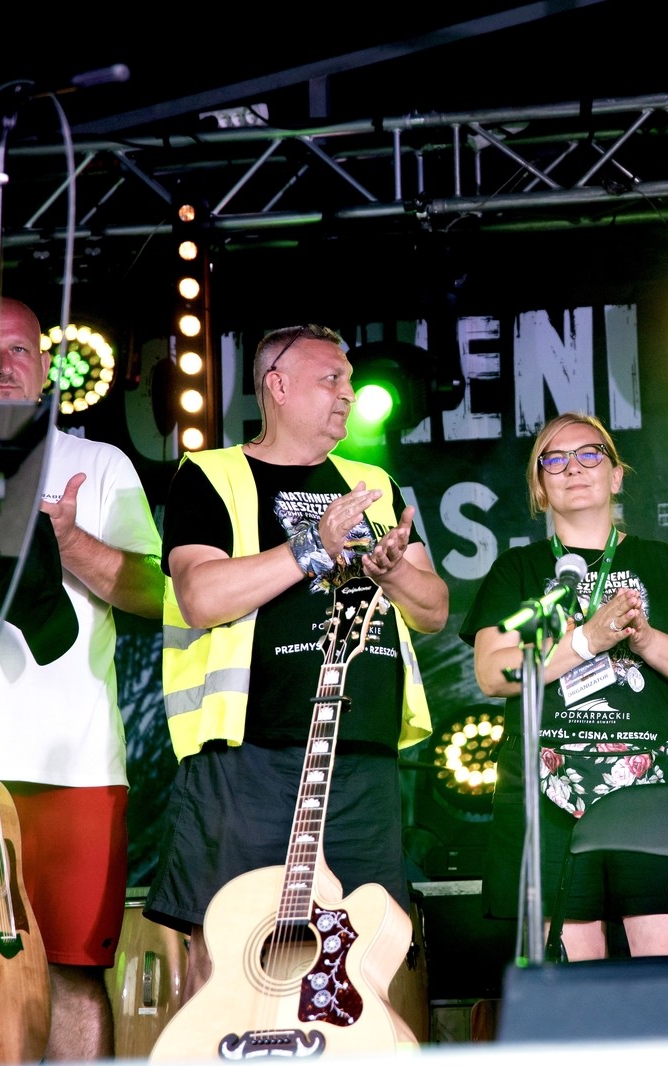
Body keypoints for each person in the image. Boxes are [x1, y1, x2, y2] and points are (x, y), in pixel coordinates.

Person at [0, 295, 165, 1061]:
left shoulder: (97, 464)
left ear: (46, 367)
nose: (7, 366)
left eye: (22, 350)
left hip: (68, 762)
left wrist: (70, 545)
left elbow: (157, 593)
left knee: (72, 968)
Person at [143, 323, 449, 1002]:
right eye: (331, 379)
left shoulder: (373, 482)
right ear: (277, 386)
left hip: (360, 752)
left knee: (366, 958)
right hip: (250, 754)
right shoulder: (213, 474)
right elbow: (200, 596)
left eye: (349, 381)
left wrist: (394, 571)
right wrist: (313, 546)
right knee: (227, 951)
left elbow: (433, 609)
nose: (348, 394)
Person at [462, 413, 668, 960]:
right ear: (540, 487)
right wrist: (585, 641)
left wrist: (644, 638)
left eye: (589, 454)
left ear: (616, 475)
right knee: (572, 993)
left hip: (655, 794)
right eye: (553, 460)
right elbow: (493, 673)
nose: (573, 468)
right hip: (550, 796)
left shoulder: (660, 561)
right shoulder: (518, 570)